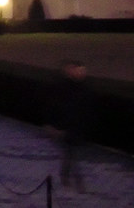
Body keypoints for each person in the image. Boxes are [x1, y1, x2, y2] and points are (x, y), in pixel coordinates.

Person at [51, 60, 93, 191]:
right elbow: (58, 107)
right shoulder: (64, 87)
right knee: (72, 154)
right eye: (78, 71)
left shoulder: (81, 87)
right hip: (67, 127)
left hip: (74, 127)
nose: (80, 73)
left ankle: (65, 177)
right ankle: (78, 182)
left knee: (69, 154)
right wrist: (58, 127)